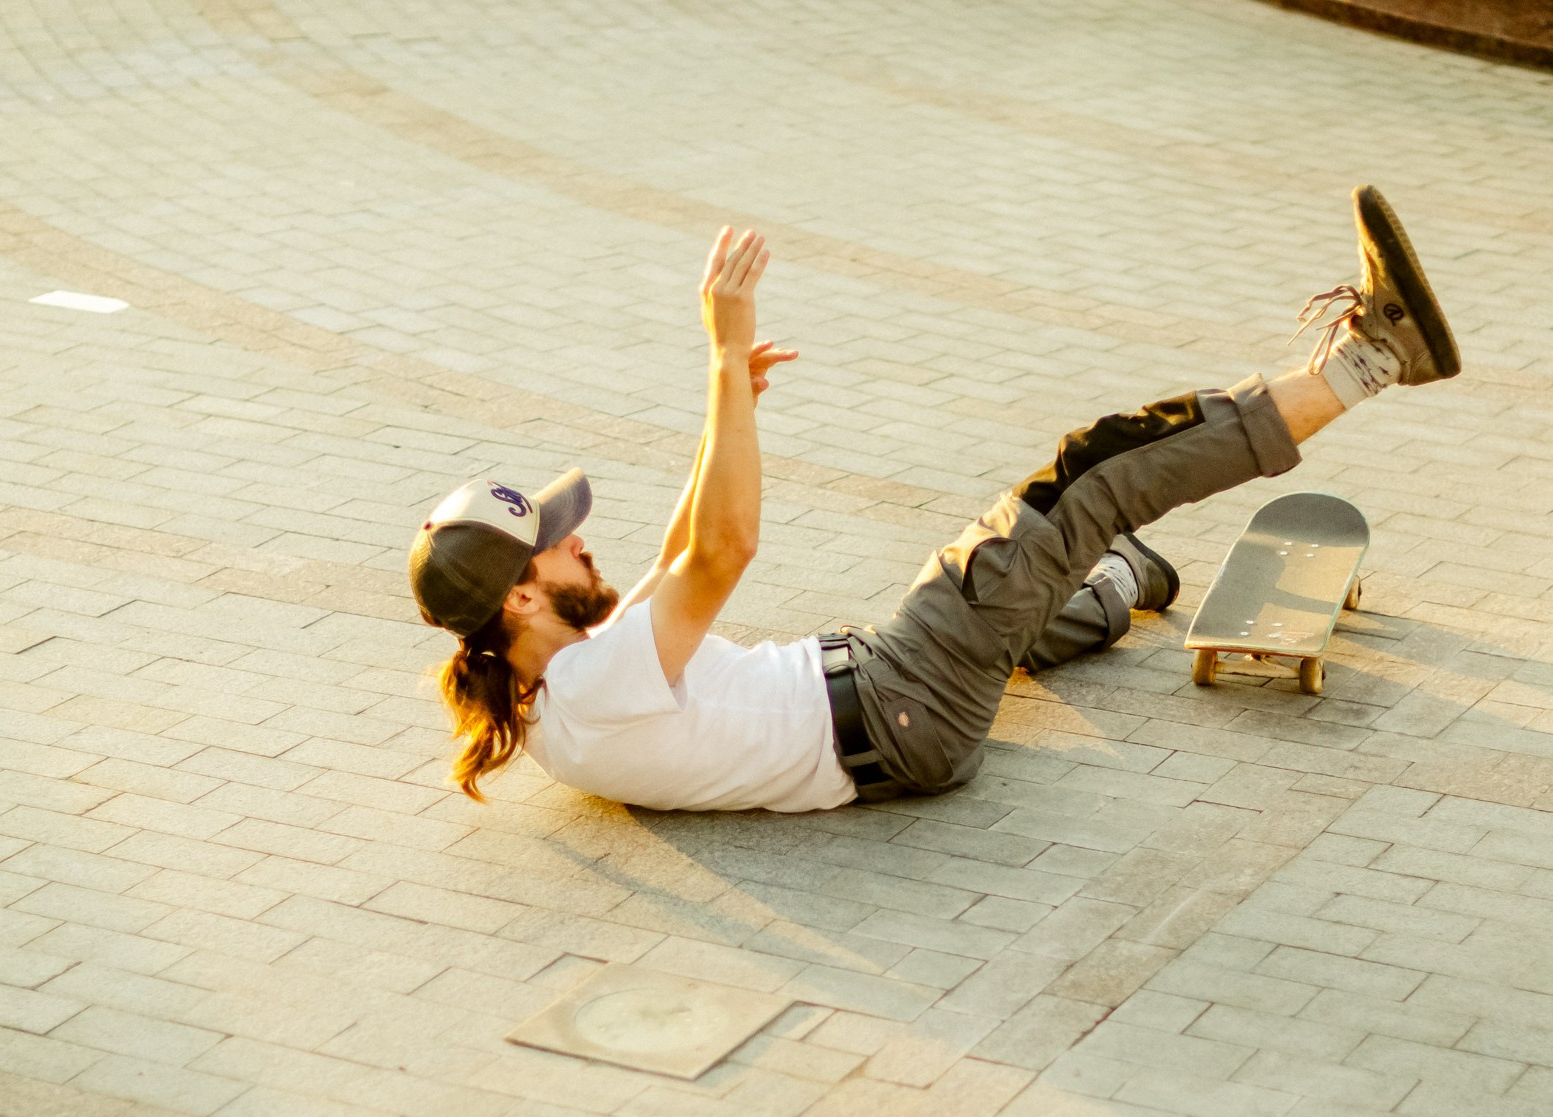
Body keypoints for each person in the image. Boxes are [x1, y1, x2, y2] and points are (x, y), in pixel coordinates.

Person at [408, 187, 1460, 811]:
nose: (577, 539)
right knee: (1082, 475)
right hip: (899, 699)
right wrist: (724, 347)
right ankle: (1374, 357)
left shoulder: (557, 683)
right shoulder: (593, 685)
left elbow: (685, 539)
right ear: (517, 600)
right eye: (551, 544)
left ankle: (1115, 585)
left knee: (1004, 595)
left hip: (895, 698)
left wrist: (727, 390)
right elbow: (723, 551)